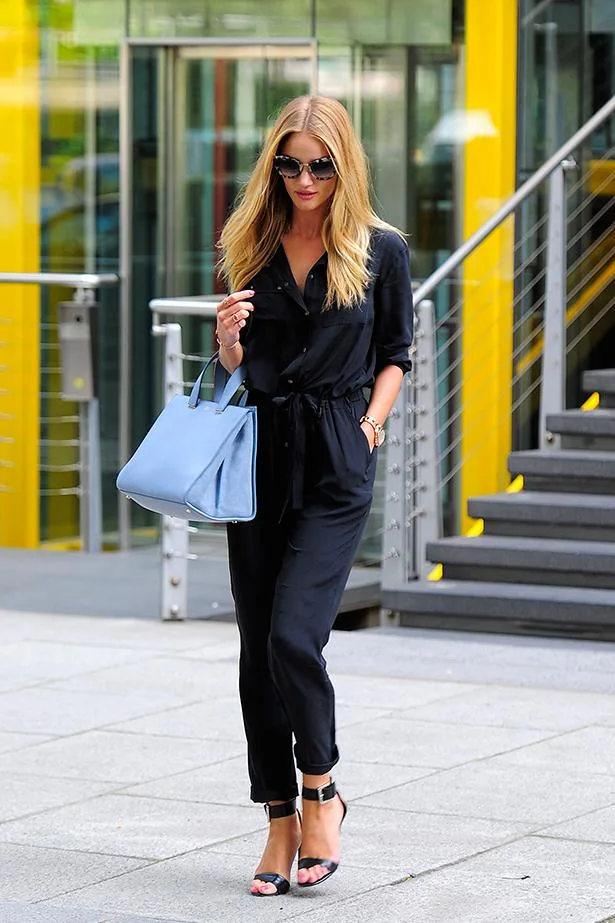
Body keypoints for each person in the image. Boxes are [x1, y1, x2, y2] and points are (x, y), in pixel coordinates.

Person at [215, 95, 413, 897]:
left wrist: (369, 424)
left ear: (345, 166)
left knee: (296, 637)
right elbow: (232, 367)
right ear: (273, 165)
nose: (303, 179)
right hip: (258, 461)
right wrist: (228, 342)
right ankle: (276, 820)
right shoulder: (245, 245)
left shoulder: (380, 249)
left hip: (335, 462)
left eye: (320, 165)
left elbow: (396, 351)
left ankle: (320, 787)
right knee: (256, 649)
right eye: (289, 163)